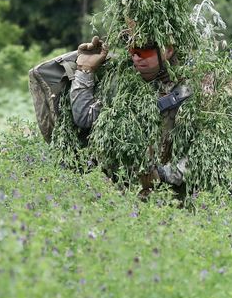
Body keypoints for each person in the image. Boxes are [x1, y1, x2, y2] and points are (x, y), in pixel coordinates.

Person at [69, 35, 191, 199]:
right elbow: (85, 118)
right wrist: (85, 70)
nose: (137, 57)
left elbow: (205, 154)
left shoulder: (191, 88)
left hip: (169, 200)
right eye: (133, 50)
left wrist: (164, 174)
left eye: (145, 51)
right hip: (117, 197)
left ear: (168, 50)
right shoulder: (121, 82)